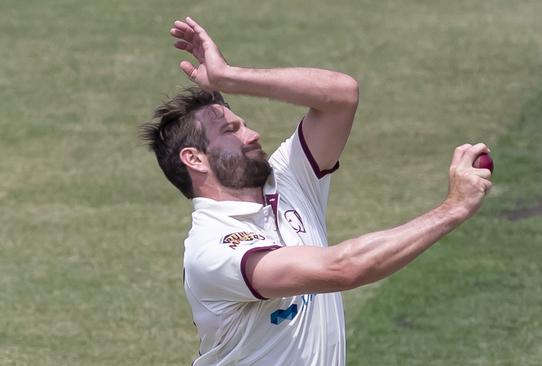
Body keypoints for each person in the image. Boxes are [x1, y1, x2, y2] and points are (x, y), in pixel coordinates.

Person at [141, 16, 492, 366]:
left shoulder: (285, 180)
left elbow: (341, 96)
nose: (252, 135)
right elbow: (342, 269)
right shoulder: (213, 248)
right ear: (195, 159)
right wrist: (453, 208)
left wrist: (229, 77)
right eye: (231, 130)